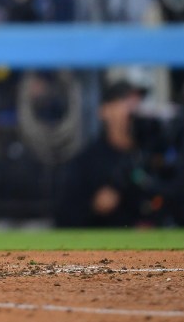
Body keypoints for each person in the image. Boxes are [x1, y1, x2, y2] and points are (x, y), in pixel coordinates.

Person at [54, 80, 152, 227]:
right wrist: (94, 207)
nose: (133, 108)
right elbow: (64, 216)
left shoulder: (150, 154)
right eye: (124, 101)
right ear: (105, 111)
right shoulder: (87, 162)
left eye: (137, 101)